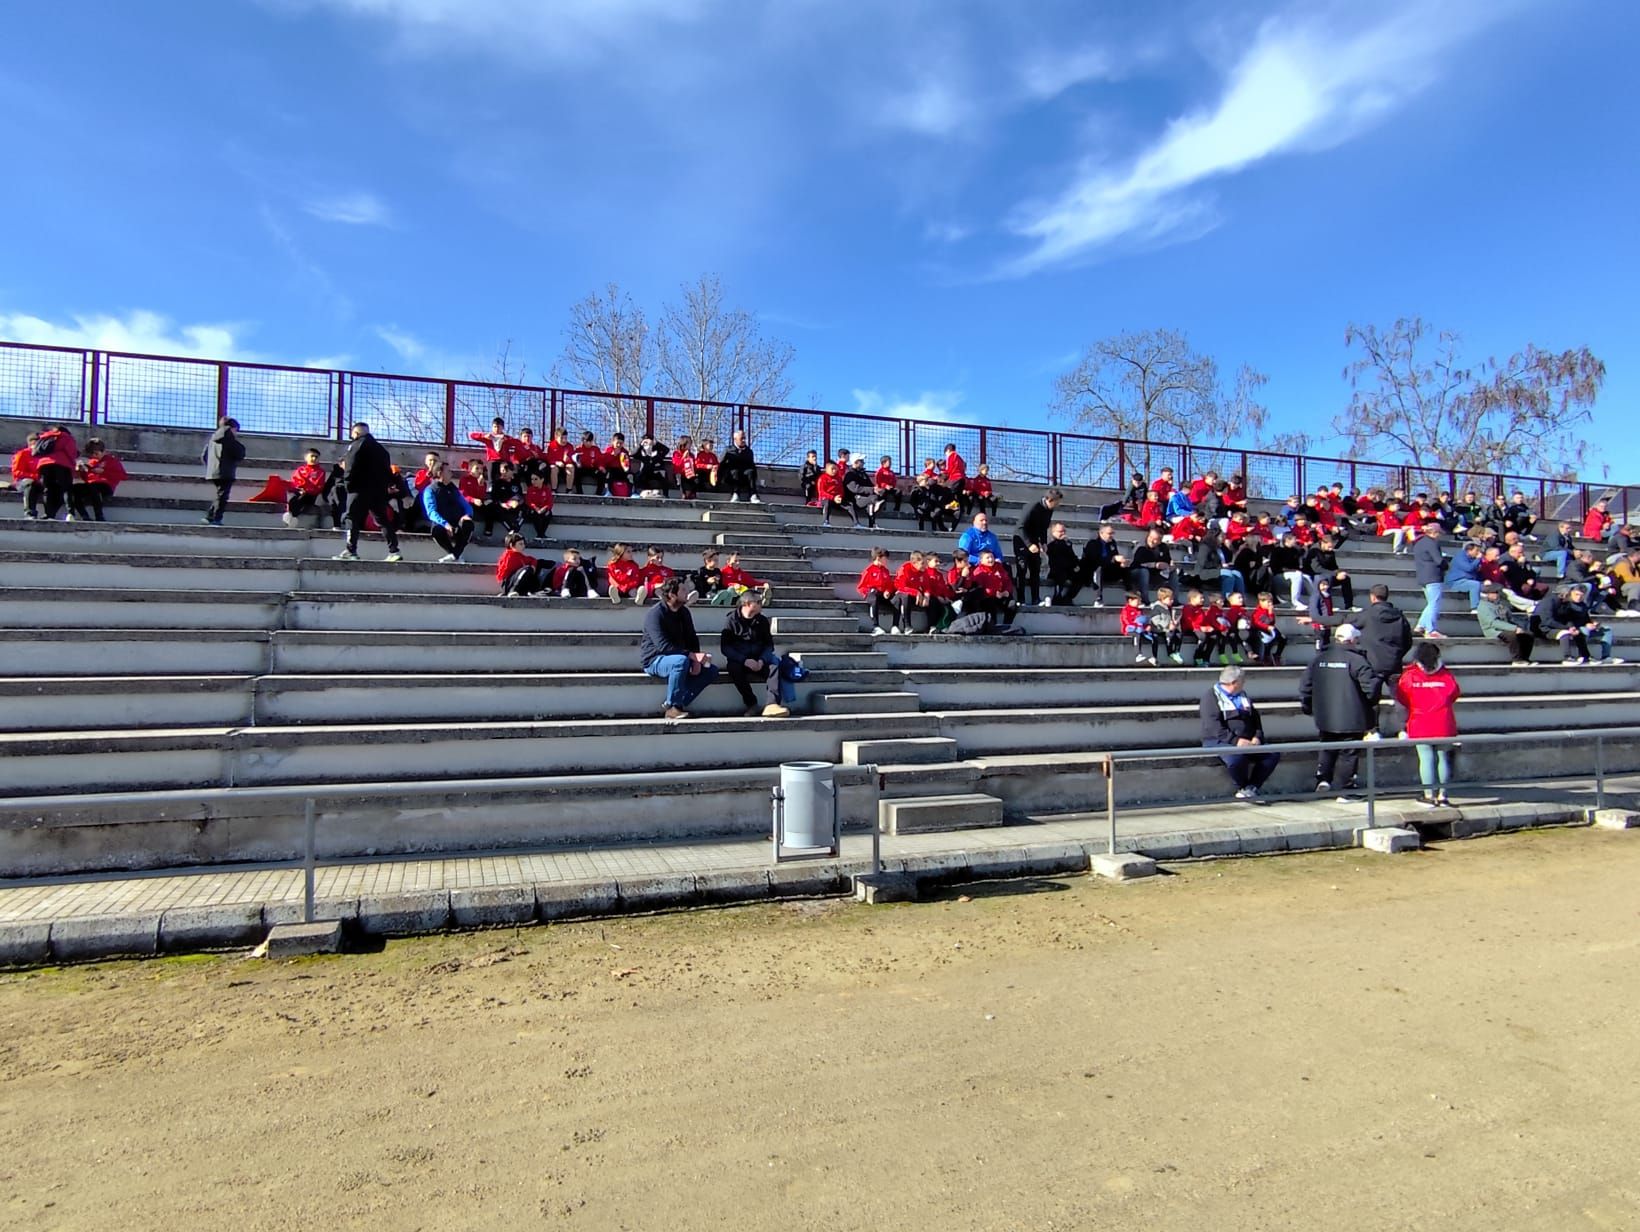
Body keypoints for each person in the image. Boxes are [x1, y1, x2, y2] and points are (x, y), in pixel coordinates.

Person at [1297, 622, 1380, 798]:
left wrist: (1307, 706)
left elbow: (1305, 685)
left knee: (1327, 746)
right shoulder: (1357, 661)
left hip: (1325, 715)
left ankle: (1323, 780)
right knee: (1348, 753)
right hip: (1353, 715)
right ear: (1352, 641)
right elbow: (1371, 690)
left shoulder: (1319, 659)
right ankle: (1345, 790)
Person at [641, 578, 720, 719]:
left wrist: (696, 659)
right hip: (655, 659)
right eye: (683, 590)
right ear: (672, 595)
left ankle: (677, 701)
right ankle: (673, 707)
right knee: (680, 661)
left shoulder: (684, 612)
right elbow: (663, 646)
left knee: (710, 670)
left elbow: (692, 637)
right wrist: (691, 656)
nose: (687, 592)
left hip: (680, 656)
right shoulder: (655, 614)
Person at [1201, 666, 1281, 802]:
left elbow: (1255, 719)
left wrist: (1257, 736)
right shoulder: (1210, 697)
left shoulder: (1243, 696)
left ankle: (1252, 787)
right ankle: (1243, 787)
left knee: (1272, 755)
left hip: (1248, 740)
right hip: (1220, 741)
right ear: (1234, 683)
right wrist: (1235, 741)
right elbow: (1213, 727)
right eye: (1242, 681)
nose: (1244, 684)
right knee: (1236, 759)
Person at [1396, 641, 1460, 807]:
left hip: (1420, 722)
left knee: (1426, 758)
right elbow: (1454, 693)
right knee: (1443, 758)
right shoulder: (1446, 675)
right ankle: (1443, 796)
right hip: (1444, 722)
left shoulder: (1410, 675)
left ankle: (1429, 795)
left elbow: (1402, 697)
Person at [333, 421, 403, 562]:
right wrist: (388, 485)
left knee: (351, 518)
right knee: (382, 520)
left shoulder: (355, 445)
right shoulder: (381, 450)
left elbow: (350, 466)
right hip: (377, 491)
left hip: (358, 489)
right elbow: (387, 471)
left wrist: (347, 484)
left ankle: (351, 550)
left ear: (356, 433)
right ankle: (394, 550)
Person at [720, 593, 795, 718]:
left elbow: (769, 645)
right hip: (741, 660)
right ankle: (751, 704)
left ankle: (772, 704)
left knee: (774, 665)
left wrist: (761, 660)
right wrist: (744, 660)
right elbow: (726, 648)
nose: (762, 604)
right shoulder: (731, 620)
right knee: (733, 668)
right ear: (748, 604)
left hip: (759, 659)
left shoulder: (762, 621)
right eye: (758, 602)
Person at [1359, 583, 1414, 698]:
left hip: (1372, 664)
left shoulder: (1366, 615)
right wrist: (1398, 654)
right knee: (1400, 700)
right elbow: (1408, 641)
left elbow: (1346, 623)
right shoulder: (1399, 616)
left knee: (1371, 701)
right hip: (1394, 663)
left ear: (1372, 597)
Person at [1013, 489, 1061, 607]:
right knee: (1022, 570)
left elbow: (1043, 528)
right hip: (1022, 540)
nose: (1058, 504)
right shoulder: (1033, 507)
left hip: (1034, 540)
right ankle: (1021, 599)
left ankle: (1036, 598)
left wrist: (1043, 542)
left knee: (1035, 569)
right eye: (1056, 502)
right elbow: (1020, 527)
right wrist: (1029, 544)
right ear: (1050, 500)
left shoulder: (1049, 510)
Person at [420, 463, 475, 562]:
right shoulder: (430, 490)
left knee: (468, 524)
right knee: (436, 530)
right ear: (440, 473)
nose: (451, 473)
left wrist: (467, 515)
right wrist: (445, 524)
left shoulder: (453, 489)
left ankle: (455, 554)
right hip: (443, 523)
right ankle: (453, 553)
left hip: (457, 522)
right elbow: (431, 512)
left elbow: (466, 505)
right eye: (448, 471)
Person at [68, 438, 128, 521]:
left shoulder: (112, 461)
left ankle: (99, 515)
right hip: (91, 485)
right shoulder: (91, 462)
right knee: (74, 489)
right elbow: (86, 477)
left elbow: (122, 475)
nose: (94, 456)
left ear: (103, 451)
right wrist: (81, 471)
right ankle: (84, 515)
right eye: (92, 454)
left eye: (96, 453)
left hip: (105, 486)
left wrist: (104, 472)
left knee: (94, 486)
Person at [201, 417, 242, 526]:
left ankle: (209, 516)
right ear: (232, 428)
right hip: (226, 472)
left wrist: (210, 467)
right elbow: (239, 454)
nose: (236, 433)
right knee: (223, 496)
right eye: (236, 430)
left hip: (213, 472)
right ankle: (216, 518)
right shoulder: (229, 439)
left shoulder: (212, 439)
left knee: (219, 495)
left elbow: (204, 456)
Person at [1410, 521, 1448, 638]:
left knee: (1431, 603)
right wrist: (1447, 564)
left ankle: (1420, 625)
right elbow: (1439, 560)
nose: (1439, 536)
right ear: (1434, 533)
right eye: (1438, 533)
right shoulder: (1431, 543)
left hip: (1423, 576)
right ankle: (1431, 630)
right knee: (1434, 604)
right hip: (1433, 576)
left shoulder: (1418, 543)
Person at [281, 448, 329, 526]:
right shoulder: (301, 470)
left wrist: (306, 490)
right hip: (300, 492)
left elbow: (318, 485)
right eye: (312, 456)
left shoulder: (320, 472)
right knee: (293, 498)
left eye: (316, 457)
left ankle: (292, 517)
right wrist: (300, 488)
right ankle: (291, 516)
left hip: (311, 495)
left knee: (302, 498)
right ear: (306, 457)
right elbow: (296, 480)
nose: (314, 459)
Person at [495, 532, 549, 597]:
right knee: (527, 569)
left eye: (523, 544)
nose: (523, 546)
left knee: (540, 563)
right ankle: (513, 590)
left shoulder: (521, 556)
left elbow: (533, 560)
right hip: (509, 583)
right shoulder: (509, 557)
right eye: (520, 544)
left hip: (520, 582)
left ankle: (533, 590)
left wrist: (533, 566)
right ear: (512, 545)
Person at [858, 546, 897, 634]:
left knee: (896, 599)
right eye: (885, 558)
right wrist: (867, 592)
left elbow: (889, 585)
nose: (887, 561)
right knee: (874, 598)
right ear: (878, 558)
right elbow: (861, 586)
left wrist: (888, 591)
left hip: (883, 594)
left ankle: (895, 626)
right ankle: (875, 626)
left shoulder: (885, 571)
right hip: (872, 593)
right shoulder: (868, 570)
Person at [480, 461, 524, 538]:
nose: (503, 473)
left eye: (506, 470)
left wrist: (517, 502)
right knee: (492, 507)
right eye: (502, 471)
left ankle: (515, 528)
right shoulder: (497, 483)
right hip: (501, 506)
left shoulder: (516, 482)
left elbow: (520, 496)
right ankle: (511, 530)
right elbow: (494, 497)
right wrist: (502, 504)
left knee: (526, 509)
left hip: (514, 506)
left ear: (512, 470)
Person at [720, 429, 760, 502]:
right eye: (742, 438)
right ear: (735, 439)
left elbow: (752, 465)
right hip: (732, 476)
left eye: (744, 438)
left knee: (750, 472)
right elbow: (721, 463)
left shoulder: (749, 451)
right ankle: (735, 494)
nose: (744, 440)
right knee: (735, 471)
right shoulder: (728, 450)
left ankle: (753, 495)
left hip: (745, 475)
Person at [9, 433, 41, 518]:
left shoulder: (44, 456)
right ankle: (30, 513)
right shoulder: (22, 454)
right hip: (22, 482)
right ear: (31, 443)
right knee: (30, 483)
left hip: (40, 482)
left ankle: (50, 514)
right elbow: (16, 472)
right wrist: (35, 476)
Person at [522, 471, 554, 542]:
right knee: (535, 515)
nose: (533, 481)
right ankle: (540, 534)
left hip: (543, 509)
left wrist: (544, 508)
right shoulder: (530, 489)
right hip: (533, 509)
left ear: (542, 479)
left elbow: (550, 502)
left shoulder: (547, 489)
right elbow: (529, 502)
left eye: (535, 479)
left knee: (548, 514)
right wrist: (536, 508)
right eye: (532, 479)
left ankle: (541, 534)